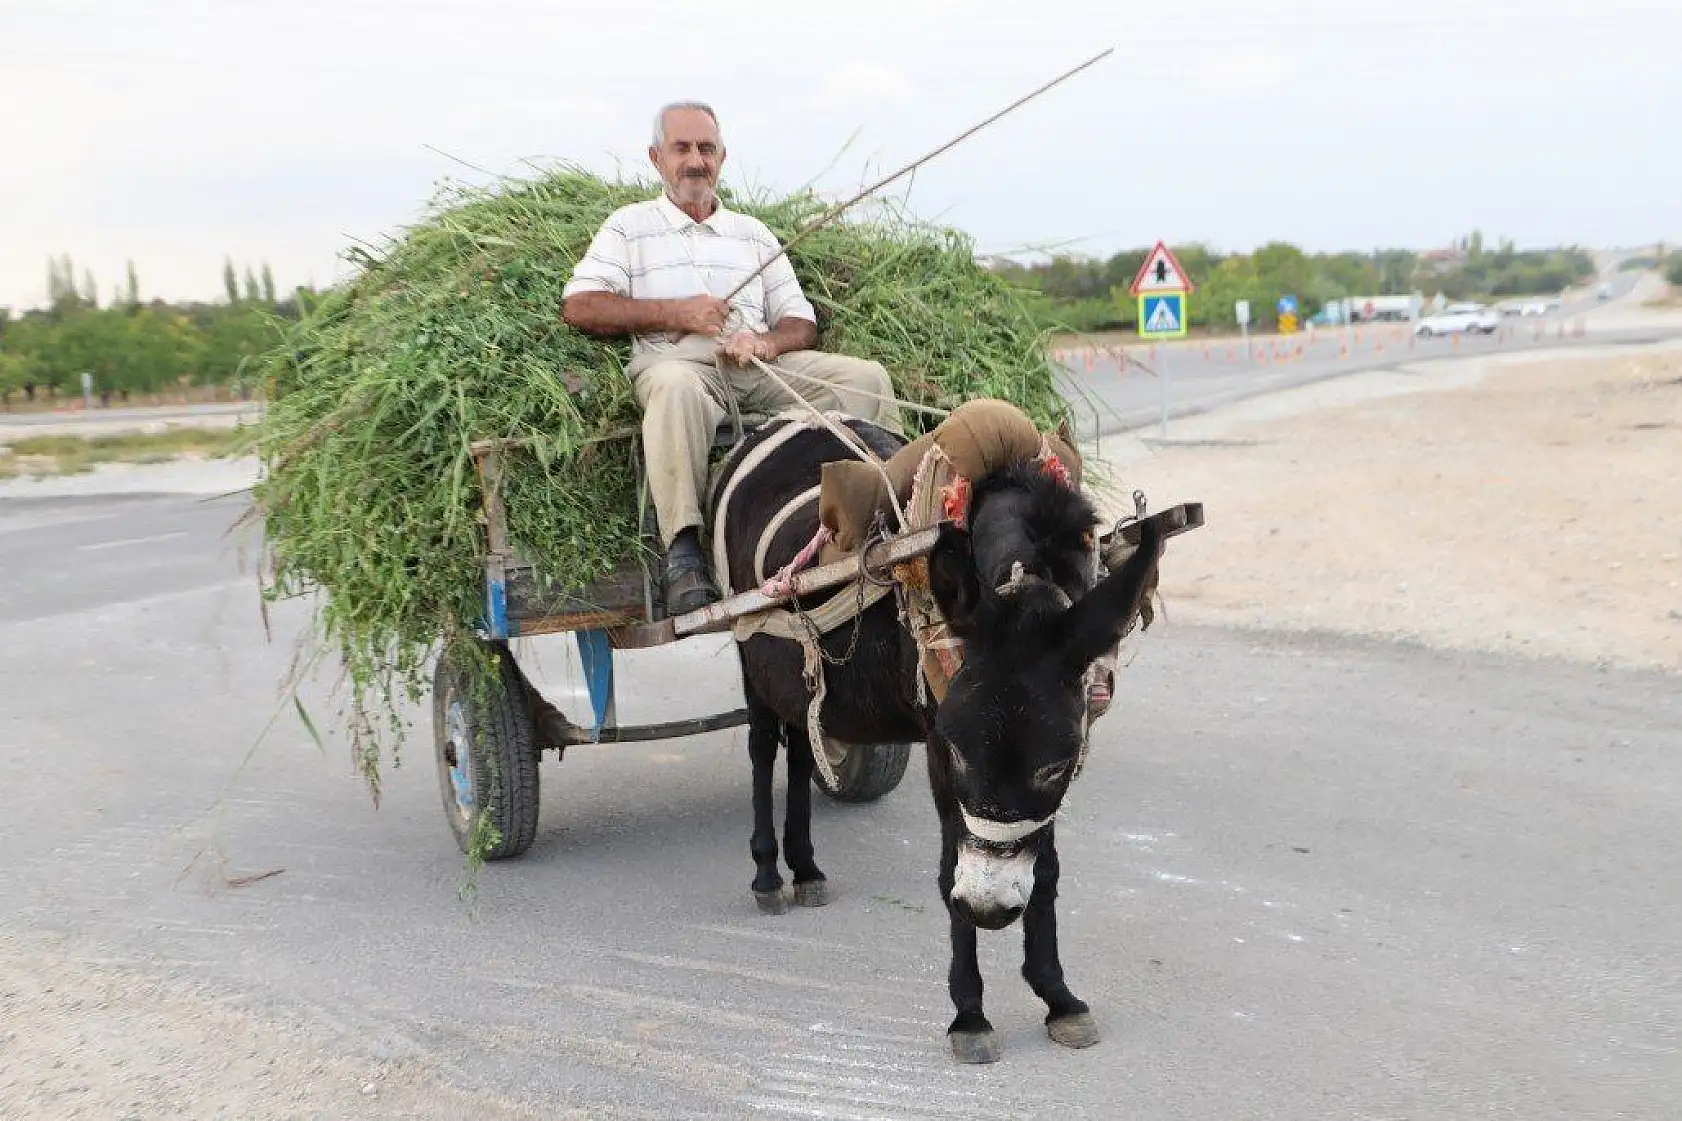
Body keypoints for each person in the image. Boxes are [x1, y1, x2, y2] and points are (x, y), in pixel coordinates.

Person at [562, 100, 904, 615]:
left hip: (755, 365)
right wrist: (678, 313)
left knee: (867, 378)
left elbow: (801, 322)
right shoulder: (629, 227)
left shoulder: (752, 232)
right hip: (678, 364)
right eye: (682, 148)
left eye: (706, 149)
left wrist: (765, 343)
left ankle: (897, 509)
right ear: (657, 158)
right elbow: (581, 306)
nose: (695, 160)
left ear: (722, 157)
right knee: (673, 388)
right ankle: (683, 553)